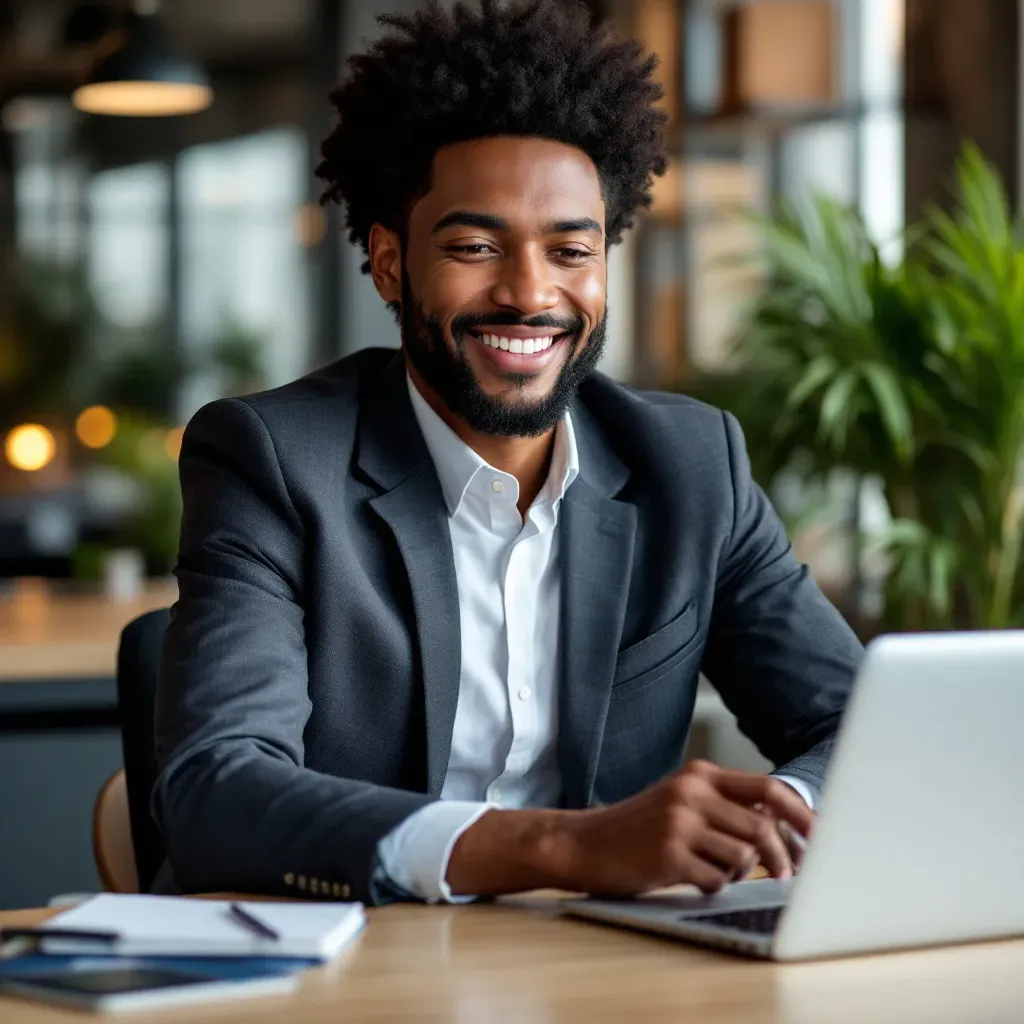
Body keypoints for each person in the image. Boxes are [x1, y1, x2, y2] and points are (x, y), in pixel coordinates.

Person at [153, 0, 862, 906]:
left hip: (596, 971)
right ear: (389, 262)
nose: (530, 293)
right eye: (476, 246)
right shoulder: (274, 460)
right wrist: (566, 849)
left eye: (572, 249)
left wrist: (779, 820)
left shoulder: (691, 464)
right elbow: (216, 792)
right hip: (341, 970)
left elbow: (858, 726)